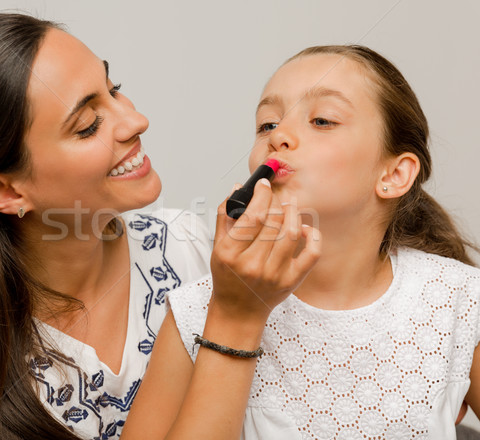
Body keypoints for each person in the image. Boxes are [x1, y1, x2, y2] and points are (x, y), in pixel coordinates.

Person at [0, 12, 216, 439]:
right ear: (4, 191)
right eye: (87, 125)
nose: (135, 121)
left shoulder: (191, 249)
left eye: (114, 89)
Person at [124, 45, 480, 439]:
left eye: (322, 120)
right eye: (267, 125)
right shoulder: (196, 311)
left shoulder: (461, 300)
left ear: (394, 174)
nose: (279, 137)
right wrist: (233, 318)